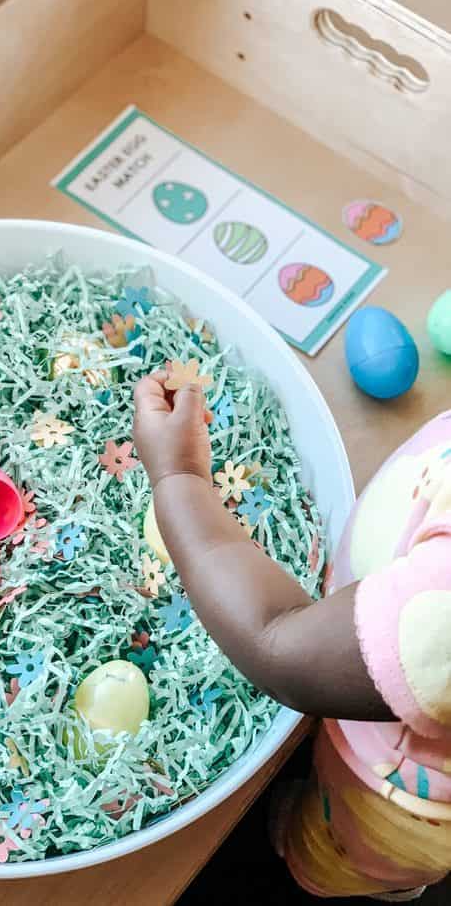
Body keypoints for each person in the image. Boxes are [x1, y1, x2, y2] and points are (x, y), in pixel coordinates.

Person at [133, 371, 451, 902]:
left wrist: (178, 476)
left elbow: (276, 642)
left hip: (397, 802)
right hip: (390, 699)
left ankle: (319, 861)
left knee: (344, 851)